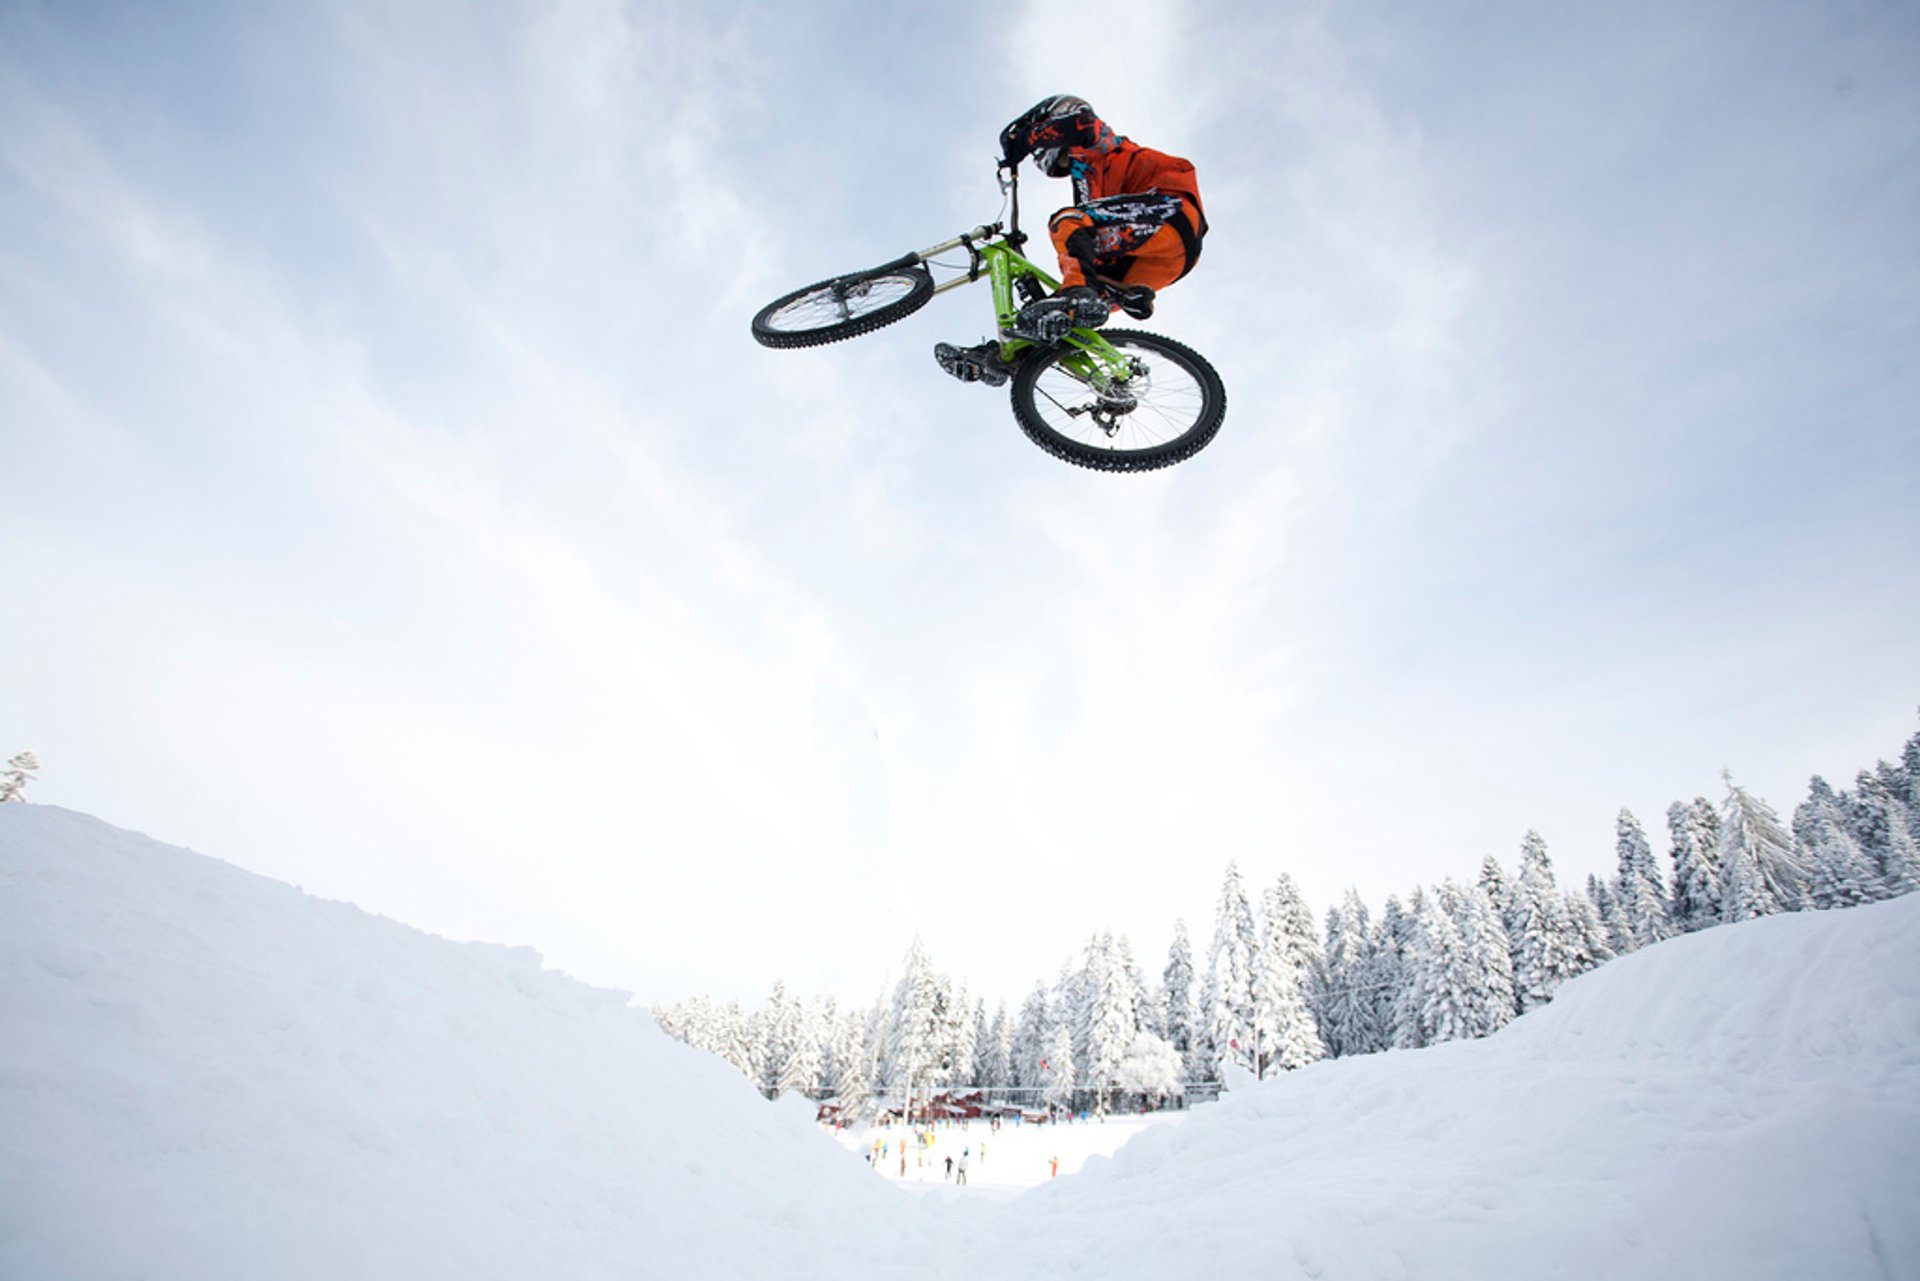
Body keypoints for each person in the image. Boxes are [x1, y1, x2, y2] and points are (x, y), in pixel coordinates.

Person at [937, 94, 1208, 386]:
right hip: (1154, 262)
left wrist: (1024, 139)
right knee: (1058, 316)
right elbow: (1084, 244)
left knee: (1067, 223)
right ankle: (1001, 357)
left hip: (1170, 212)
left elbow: (1082, 126)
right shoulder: (1087, 182)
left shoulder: (1097, 144)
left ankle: (1079, 294)